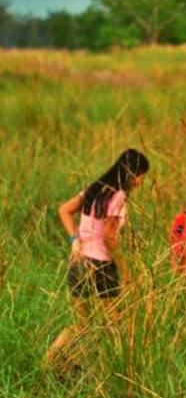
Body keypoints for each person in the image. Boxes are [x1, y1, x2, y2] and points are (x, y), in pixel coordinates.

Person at [46, 148, 151, 367]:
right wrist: (125, 268)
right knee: (115, 325)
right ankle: (118, 371)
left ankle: (48, 363)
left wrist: (74, 239)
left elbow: (64, 210)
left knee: (80, 324)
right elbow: (109, 239)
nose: (141, 181)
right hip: (101, 266)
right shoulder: (118, 197)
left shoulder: (94, 189)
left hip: (78, 262)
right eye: (142, 175)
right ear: (133, 174)